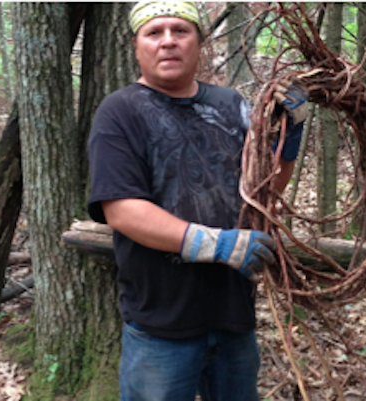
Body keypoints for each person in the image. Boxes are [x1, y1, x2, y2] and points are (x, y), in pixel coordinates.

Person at [87, 2, 307, 400]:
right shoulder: (119, 112)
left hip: (233, 315)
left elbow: (265, 191)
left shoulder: (231, 104)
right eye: (154, 33)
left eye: (180, 31)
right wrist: (217, 244)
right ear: (137, 47)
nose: (168, 41)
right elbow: (120, 209)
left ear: (199, 44)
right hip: (161, 323)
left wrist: (287, 142)